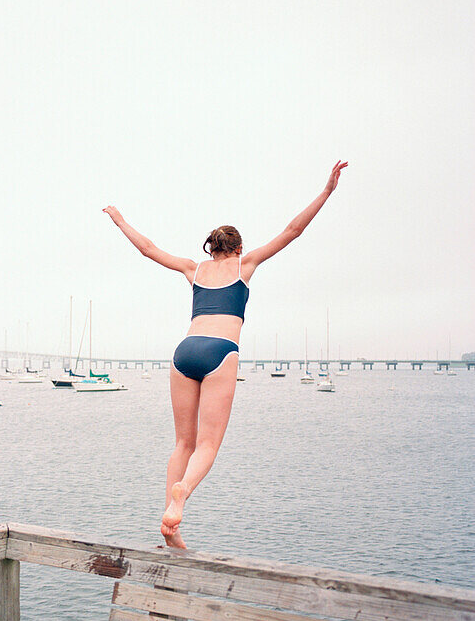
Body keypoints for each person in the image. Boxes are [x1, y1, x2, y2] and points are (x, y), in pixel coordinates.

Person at [104, 161, 346, 548]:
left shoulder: (192, 269)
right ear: (237, 249)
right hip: (220, 352)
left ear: (210, 250)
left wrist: (119, 220)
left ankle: (171, 524)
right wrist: (327, 191)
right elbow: (293, 230)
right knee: (208, 446)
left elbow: (148, 249)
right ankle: (182, 495)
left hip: (184, 352)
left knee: (183, 443)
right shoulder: (245, 265)